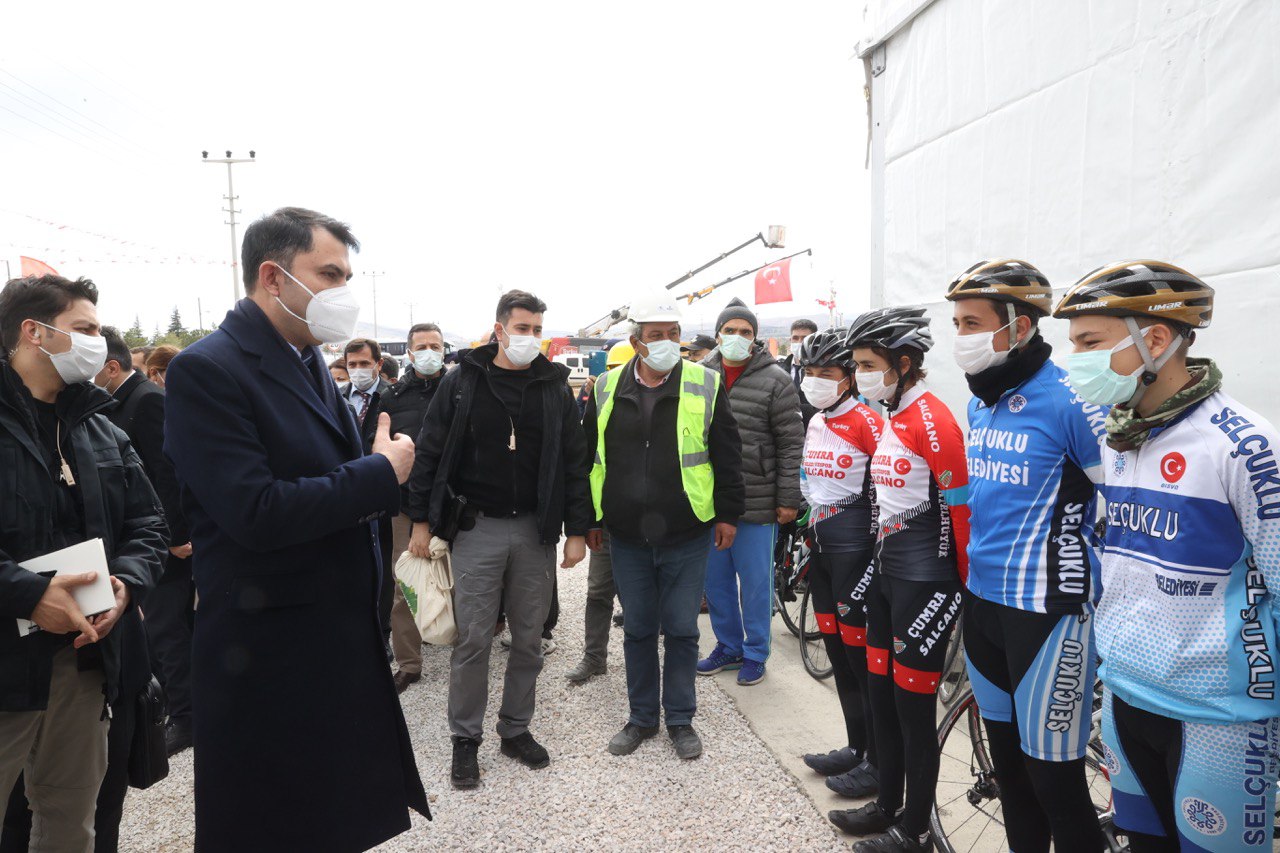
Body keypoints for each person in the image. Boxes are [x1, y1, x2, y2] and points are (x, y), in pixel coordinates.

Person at [163, 206, 429, 851]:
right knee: (275, 820)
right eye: (329, 273)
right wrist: (378, 474)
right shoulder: (210, 368)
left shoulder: (307, 358)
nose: (342, 292)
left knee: (333, 814)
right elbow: (255, 511)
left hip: (329, 632)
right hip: (269, 647)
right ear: (273, 277)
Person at [1055, 261, 1279, 852]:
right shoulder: (1118, 434)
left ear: (1155, 339)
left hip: (1218, 718)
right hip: (1127, 696)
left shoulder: (1244, 445)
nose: (1074, 358)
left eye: (1089, 342)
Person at [945, 259, 1108, 851]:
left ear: (1019, 327)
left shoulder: (1070, 400)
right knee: (1009, 773)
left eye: (972, 322)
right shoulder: (980, 401)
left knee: (1055, 782)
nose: (960, 335)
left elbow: (1121, 505)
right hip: (983, 604)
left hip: (1048, 611)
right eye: (956, 322)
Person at [0, 274, 165, 853]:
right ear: (33, 332)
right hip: (4, 658)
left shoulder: (99, 426)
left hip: (83, 659)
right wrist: (27, 594)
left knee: (71, 816)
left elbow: (149, 524)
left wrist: (126, 585)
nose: (100, 340)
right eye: (85, 329)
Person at [404, 289, 590, 790]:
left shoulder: (554, 386)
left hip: (535, 530)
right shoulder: (463, 381)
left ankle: (516, 728)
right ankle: (465, 740)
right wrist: (420, 520)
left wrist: (577, 532)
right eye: (522, 328)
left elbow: (575, 461)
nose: (529, 337)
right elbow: (430, 453)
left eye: (536, 330)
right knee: (472, 640)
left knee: (529, 638)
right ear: (499, 329)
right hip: (476, 529)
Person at [583, 290, 744, 760]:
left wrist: (728, 515)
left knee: (681, 629)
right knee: (636, 629)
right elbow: (588, 458)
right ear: (636, 342)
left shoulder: (705, 383)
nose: (668, 343)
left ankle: (680, 719)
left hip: (687, 531)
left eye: (673, 335)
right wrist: (590, 519)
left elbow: (728, 455)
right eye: (656, 336)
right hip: (627, 535)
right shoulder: (605, 388)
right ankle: (640, 719)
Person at [840, 307, 970, 852]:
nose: (860, 374)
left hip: (926, 584)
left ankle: (916, 829)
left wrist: (965, 589)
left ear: (904, 363)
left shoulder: (934, 420)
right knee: (881, 696)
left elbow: (961, 515)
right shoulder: (894, 414)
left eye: (868, 364)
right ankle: (888, 804)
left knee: (914, 713)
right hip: (890, 579)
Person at [792, 329, 886, 802]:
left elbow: (886, 493)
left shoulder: (869, 421)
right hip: (823, 549)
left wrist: (874, 550)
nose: (814, 382)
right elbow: (812, 479)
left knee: (860, 659)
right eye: (809, 373)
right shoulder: (816, 420)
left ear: (848, 379)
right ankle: (856, 746)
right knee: (837, 656)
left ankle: (877, 761)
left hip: (857, 554)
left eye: (825, 374)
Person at [95, 327, 197, 757]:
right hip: (146, 539)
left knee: (168, 629)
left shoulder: (147, 400)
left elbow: (168, 473)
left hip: (164, 542)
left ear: (111, 366)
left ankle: (188, 718)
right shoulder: (121, 402)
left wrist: (176, 535)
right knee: (165, 630)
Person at [697, 297, 803, 685]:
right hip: (710, 500)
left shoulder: (775, 379)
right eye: (730, 331)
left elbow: (792, 442)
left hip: (758, 499)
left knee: (756, 583)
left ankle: (756, 651)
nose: (737, 337)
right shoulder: (701, 374)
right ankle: (728, 646)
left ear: (756, 337)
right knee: (717, 580)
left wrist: (788, 498)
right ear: (718, 334)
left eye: (745, 332)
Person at [381, 323, 448, 692]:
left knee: (466, 581)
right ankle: (408, 662)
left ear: (444, 349)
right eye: (420, 346)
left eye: (434, 345)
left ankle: (463, 646)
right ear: (408, 353)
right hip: (407, 506)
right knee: (404, 584)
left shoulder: (460, 389)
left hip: (456, 505)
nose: (428, 351)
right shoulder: (393, 396)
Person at [566, 341, 636, 684]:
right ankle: (594, 657)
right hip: (608, 521)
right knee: (598, 592)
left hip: (645, 524)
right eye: (610, 371)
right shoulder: (597, 406)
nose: (615, 378)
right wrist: (590, 522)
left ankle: (642, 661)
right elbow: (586, 465)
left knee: (639, 596)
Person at [342, 337, 397, 645]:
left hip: (383, 491)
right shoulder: (337, 397)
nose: (358, 370)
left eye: (364, 364)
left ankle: (383, 633)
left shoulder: (392, 397)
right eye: (352, 365)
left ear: (378, 364)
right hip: (350, 491)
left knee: (384, 566)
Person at [781, 318, 820, 421]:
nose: (799, 342)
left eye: (804, 338)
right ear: (790, 340)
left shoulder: (822, 372)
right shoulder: (778, 369)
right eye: (795, 338)